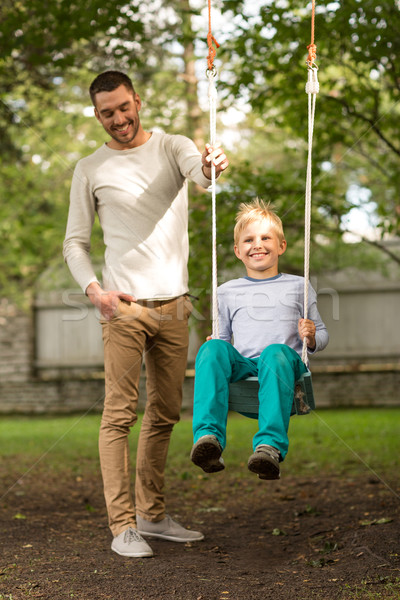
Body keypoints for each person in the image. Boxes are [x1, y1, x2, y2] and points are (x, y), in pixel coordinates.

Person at [63, 70, 229, 558]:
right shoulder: (89, 168)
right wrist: (96, 290)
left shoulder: (172, 146)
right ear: (97, 115)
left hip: (176, 305)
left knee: (165, 414)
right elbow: (75, 243)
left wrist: (212, 163)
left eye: (122, 107)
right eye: (106, 112)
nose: (117, 119)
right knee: (118, 416)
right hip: (125, 308)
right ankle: (123, 526)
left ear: (138, 100)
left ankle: (153, 515)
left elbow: (203, 175)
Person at [190, 198, 328, 480]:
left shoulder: (297, 285)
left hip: (282, 364)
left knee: (274, 352)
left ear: (281, 246)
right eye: (249, 239)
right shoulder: (227, 291)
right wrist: (216, 347)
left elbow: (323, 335)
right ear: (238, 250)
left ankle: (269, 448)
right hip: (245, 366)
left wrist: (311, 337)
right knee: (211, 347)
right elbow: (225, 338)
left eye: (266, 237)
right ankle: (208, 439)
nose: (258, 244)